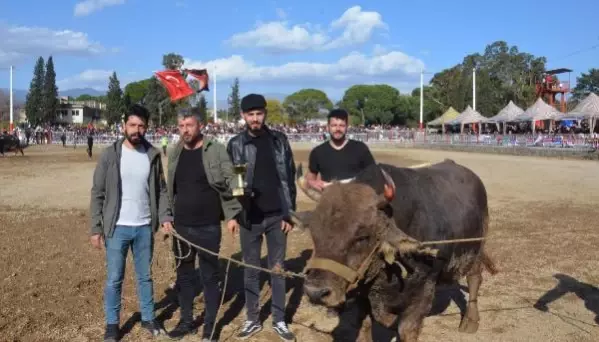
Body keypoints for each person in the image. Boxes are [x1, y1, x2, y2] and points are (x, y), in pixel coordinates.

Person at [89, 104, 169, 342]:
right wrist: (96, 228)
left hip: (144, 227)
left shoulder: (152, 155)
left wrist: (165, 217)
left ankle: (148, 317)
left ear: (146, 127)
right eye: (132, 125)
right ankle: (112, 325)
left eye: (141, 126)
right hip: (117, 228)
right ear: (124, 125)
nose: (136, 130)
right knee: (115, 278)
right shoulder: (110, 155)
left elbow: (162, 191)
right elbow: (97, 192)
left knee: (145, 276)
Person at [161, 112, 242, 341]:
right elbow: (170, 188)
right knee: (184, 277)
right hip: (181, 227)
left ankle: (209, 327)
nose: (185, 129)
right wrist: (167, 216)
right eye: (181, 125)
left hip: (208, 227)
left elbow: (231, 180)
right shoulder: (175, 151)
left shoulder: (215, 149)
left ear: (200, 126)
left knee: (209, 278)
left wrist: (233, 215)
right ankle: (186, 322)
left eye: (189, 125)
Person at [226, 93, 297, 341]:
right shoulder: (236, 144)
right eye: (250, 114)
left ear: (265, 114)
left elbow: (288, 178)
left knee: (277, 269)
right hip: (250, 218)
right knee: (251, 270)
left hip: (277, 217)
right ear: (244, 116)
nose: (255, 118)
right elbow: (233, 185)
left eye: (259, 114)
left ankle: (279, 320)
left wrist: (289, 214)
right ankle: (252, 320)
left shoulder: (279, 140)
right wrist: (235, 214)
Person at [305, 109, 375, 190]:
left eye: (342, 125)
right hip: (329, 200)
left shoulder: (361, 148)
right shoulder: (317, 152)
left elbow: (373, 175)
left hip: (357, 200)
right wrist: (311, 182)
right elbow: (310, 178)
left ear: (347, 127)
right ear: (327, 127)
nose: (338, 129)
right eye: (334, 125)